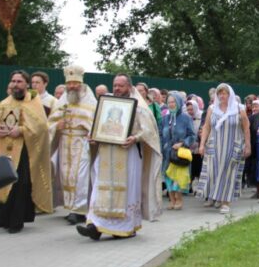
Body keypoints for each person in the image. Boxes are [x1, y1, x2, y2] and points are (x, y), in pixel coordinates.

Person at [78, 73, 162, 240]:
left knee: (126, 191)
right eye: (115, 85)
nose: (116, 88)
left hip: (127, 154)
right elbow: (98, 126)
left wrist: (135, 137)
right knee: (100, 188)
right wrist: (92, 136)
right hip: (105, 153)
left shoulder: (139, 107)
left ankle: (125, 228)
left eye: (120, 86)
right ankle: (94, 226)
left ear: (129, 87)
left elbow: (149, 131)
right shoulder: (106, 104)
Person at [0, 71, 53, 233]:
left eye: (19, 81)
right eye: (13, 81)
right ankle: (5, 217)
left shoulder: (34, 102)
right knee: (4, 182)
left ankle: (16, 221)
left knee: (20, 185)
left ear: (26, 84)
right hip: (5, 148)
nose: (15, 84)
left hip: (24, 149)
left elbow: (41, 127)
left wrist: (22, 129)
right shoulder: (4, 103)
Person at [48, 65, 97, 225]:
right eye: (69, 84)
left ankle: (79, 210)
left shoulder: (90, 100)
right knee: (65, 175)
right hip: (64, 142)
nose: (72, 86)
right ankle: (70, 207)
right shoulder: (64, 100)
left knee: (80, 176)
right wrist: (57, 125)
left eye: (75, 83)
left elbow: (95, 122)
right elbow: (51, 121)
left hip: (82, 142)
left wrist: (89, 130)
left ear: (81, 83)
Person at [196, 84, 251, 214]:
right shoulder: (212, 108)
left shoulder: (239, 109)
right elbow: (206, 127)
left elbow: (246, 128)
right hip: (214, 146)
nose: (222, 95)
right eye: (219, 93)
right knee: (212, 172)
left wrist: (248, 145)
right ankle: (214, 197)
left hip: (232, 146)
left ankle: (225, 202)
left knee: (228, 173)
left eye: (224, 93)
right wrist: (202, 144)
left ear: (229, 94)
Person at [161, 92, 197, 210]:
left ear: (179, 103)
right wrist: (162, 147)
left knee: (178, 177)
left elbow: (192, 135)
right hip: (167, 154)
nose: (171, 104)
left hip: (180, 153)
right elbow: (161, 134)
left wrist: (182, 143)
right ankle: (171, 200)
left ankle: (179, 199)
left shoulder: (186, 118)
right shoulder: (165, 118)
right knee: (168, 176)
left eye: (173, 102)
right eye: (169, 102)